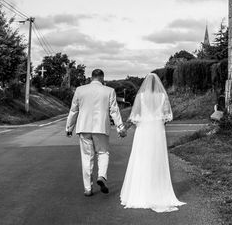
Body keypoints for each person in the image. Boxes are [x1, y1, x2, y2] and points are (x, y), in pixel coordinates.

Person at [119, 73, 185, 213]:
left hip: (143, 130)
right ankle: (158, 190)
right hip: (157, 131)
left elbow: (135, 117)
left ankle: (141, 191)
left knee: (141, 158)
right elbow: (167, 117)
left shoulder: (141, 96)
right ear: (158, 84)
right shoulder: (162, 96)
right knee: (157, 159)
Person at [66, 68, 125, 197]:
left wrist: (69, 128)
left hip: (83, 128)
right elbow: (114, 111)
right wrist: (120, 127)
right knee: (103, 153)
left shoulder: (80, 90)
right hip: (101, 128)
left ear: (91, 77)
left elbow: (73, 110)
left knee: (87, 157)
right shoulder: (109, 91)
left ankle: (88, 188)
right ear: (102, 78)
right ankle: (102, 176)